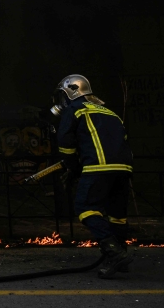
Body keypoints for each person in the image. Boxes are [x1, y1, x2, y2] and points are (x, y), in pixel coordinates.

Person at [52, 74, 134, 278]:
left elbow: (65, 141)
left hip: (97, 167)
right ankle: (120, 257)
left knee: (85, 207)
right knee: (117, 215)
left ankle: (114, 253)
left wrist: (72, 167)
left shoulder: (75, 109)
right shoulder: (110, 112)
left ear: (71, 91)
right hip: (124, 168)